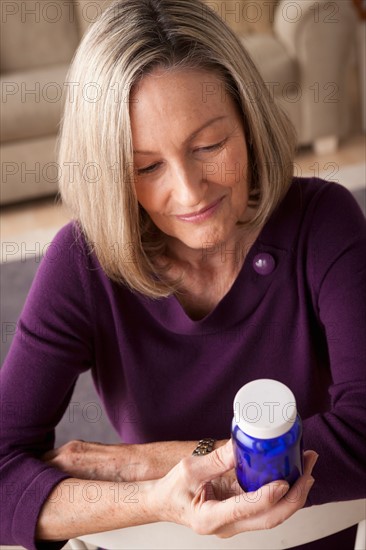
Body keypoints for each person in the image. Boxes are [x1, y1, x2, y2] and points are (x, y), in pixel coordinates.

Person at [0, 0, 365, 548]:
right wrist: (152, 499)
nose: (191, 193)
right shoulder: (83, 261)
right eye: (146, 167)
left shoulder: (324, 221)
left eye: (209, 145)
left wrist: (143, 464)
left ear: (248, 119)